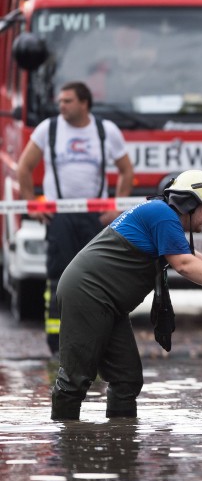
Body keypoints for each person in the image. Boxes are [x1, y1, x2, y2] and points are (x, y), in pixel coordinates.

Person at [50, 170, 202, 421]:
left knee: (126, 379)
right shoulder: (162, 215)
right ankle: (62, 446)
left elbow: (191, 255)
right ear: (190, 203)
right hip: (87, 294)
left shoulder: (162, 215)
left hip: (107, 303)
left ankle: (120, 448)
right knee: (75, 379)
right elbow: (184, 264)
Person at [17, 81, 135, 356]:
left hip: (95, 218)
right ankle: (57, 344)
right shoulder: (50, 129)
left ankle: (95, 340)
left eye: (67, 101)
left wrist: (116, 208)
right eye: (60, 101)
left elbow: (126, 171)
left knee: (98, 278)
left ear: (84, 103)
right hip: (60, 217)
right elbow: (24, 168)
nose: (62, 106)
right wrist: (33, 205)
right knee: (58, 279)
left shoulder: (106, 131)